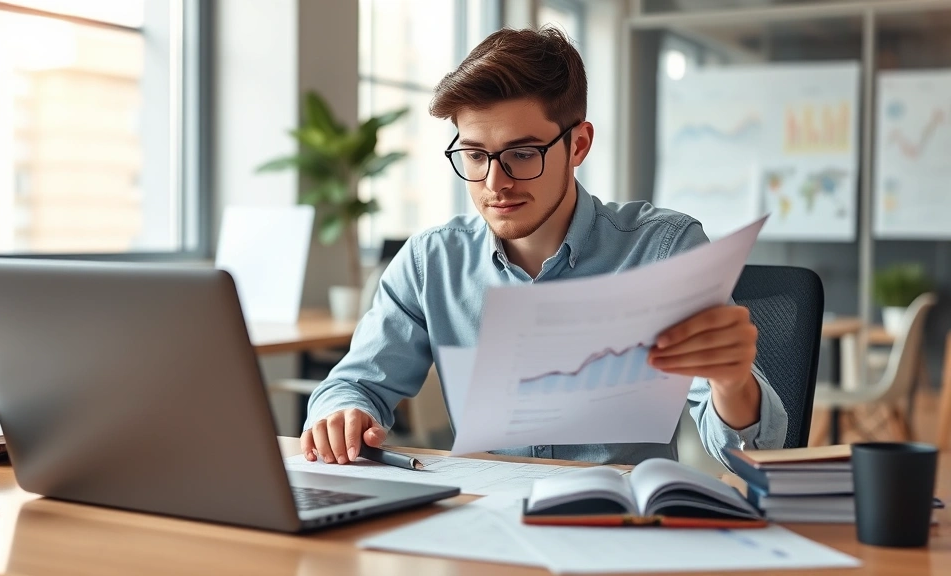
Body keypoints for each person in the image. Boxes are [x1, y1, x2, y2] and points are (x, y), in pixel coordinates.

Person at [301, 26, 787, 466]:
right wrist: (344, 412)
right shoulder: (431, 262)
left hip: (620, 536)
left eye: (521, 154)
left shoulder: (663, 249)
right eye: (474, 154)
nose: (495, 183)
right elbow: (353, 385)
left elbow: (753, 454)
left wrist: (731, 383)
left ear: (578, 145)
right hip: (484, 531)